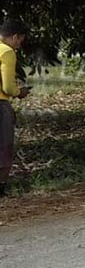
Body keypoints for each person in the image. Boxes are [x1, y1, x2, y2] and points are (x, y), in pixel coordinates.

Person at [0, 19, 32, 197]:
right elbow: (8, 88)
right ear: (14, 37)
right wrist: (20, 92)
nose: (19, 44)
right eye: (20, 40)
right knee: (4, 146)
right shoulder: (7, 51)